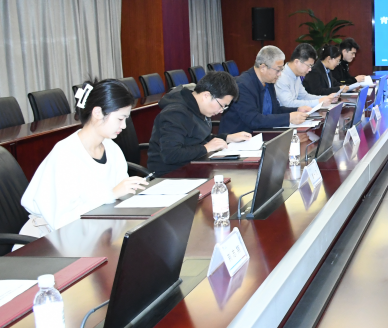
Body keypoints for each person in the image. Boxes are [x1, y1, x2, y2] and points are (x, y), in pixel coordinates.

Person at [20, 80, 146, 234]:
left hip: (95, 229)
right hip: (51, 236)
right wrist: (112, 194)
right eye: (120, 119)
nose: (124, 126)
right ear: (97, 113)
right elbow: (63, 221)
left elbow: (119, 194)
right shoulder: (65, 155)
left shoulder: (112, 148)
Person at [146, 71, 253, 177]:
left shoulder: (199, 107)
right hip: (170, 175)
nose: (221, 111)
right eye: (222, 105)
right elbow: (171, 154)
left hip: (192, 166)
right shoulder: (175, 113)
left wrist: (227, 138)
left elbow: (197, 139)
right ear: (206, 95)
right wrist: (206, 148)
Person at [219, 45, 312, 134]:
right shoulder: (243, 86)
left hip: (261, 133)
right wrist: (288, 118)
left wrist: (297, 110)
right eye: (278, 70)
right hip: (239, 139)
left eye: (281, 70)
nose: (280, 74)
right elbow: (253, 120)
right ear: (263, 67)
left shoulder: (268, 81)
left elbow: (275, 110)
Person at [276, 43, 338, 109]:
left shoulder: (296, 75)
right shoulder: (281, 77)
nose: (310, 69)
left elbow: (304, 96)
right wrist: (319, 102)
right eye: (309, 65)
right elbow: (288, 104)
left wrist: (327, 98)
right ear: (297, 62)